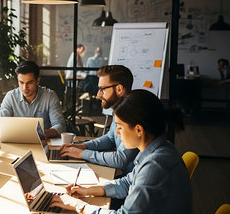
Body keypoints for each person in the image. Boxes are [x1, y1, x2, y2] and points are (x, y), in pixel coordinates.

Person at [50, 90, 192, 213]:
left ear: (138, 130)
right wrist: (88, 190)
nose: (117, 133)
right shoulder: (161, 148)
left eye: (119, 127)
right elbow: (127, 183)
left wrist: (79, 206)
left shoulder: (155, 165)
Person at [60, 65, 139, 174]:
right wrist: (83, 146)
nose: (98, 94)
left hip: (131, 182)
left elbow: (120, 159)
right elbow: (110, 138)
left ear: (119, 89)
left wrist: (82, 154)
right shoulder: (119, 112)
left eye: (102, 89)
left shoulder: (132, 115)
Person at [0, 60, 65, 139]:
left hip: (43, 143)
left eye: (29, 83)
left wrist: (39, 134)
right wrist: (9, 133)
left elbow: (59, 125)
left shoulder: (50, 97)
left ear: (38, 81)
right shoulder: (11, 97)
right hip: (17, 142)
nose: (24, 88)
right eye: (21, 82)